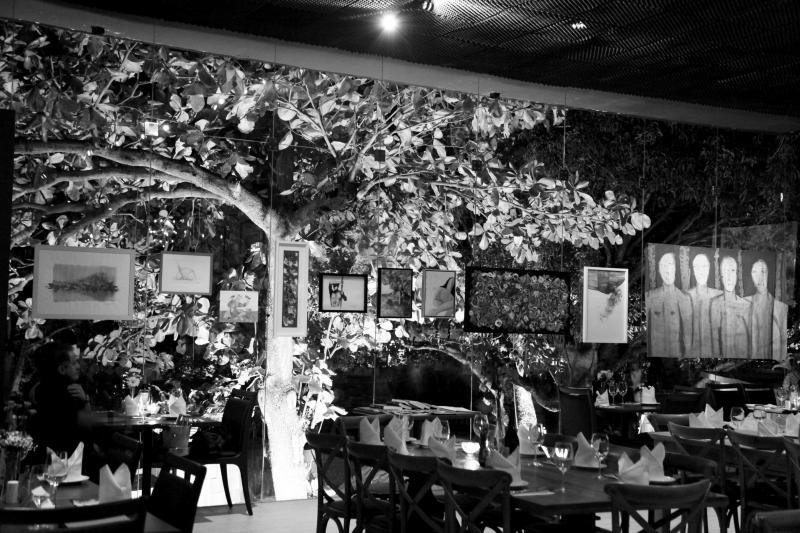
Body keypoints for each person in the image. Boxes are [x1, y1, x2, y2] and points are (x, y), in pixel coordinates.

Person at [29, 342, 91, 455]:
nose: (78, 366)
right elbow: (86, 428)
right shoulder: (71, 392)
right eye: (74, 363)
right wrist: (85, 400)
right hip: (67, 458)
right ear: (62, 369)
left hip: (43, 454)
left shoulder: (40, 388)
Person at [646, 252, 692, 357]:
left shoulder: (684, 299)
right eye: (663, 266)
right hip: (656, 352)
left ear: (675, 269)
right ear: (659, 270)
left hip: (676, 353)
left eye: (670, 265)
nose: (667, 270)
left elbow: (687, 333)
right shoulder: (650, 296)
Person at [709, 256, 751, 357]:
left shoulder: (746, 305)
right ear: (721, 276)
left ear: (737, 275)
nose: (729, 276)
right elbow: (714, 339)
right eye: (725, 271)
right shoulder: (714, 304)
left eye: (732, 271)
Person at [747, 259, 788, 359]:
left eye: (763, 271)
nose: (759, 277)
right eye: (755, 272)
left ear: (768, 274)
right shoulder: (744, 304)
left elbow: (783, 342)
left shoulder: (781, 308)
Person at [686, 253, 722, 357]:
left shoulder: (719, 295)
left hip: (714, 351)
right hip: (692, 351)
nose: (701, 271)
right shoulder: (685, 297)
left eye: (704, 266)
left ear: (709, 269)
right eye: (697, 267)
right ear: (693, 271)